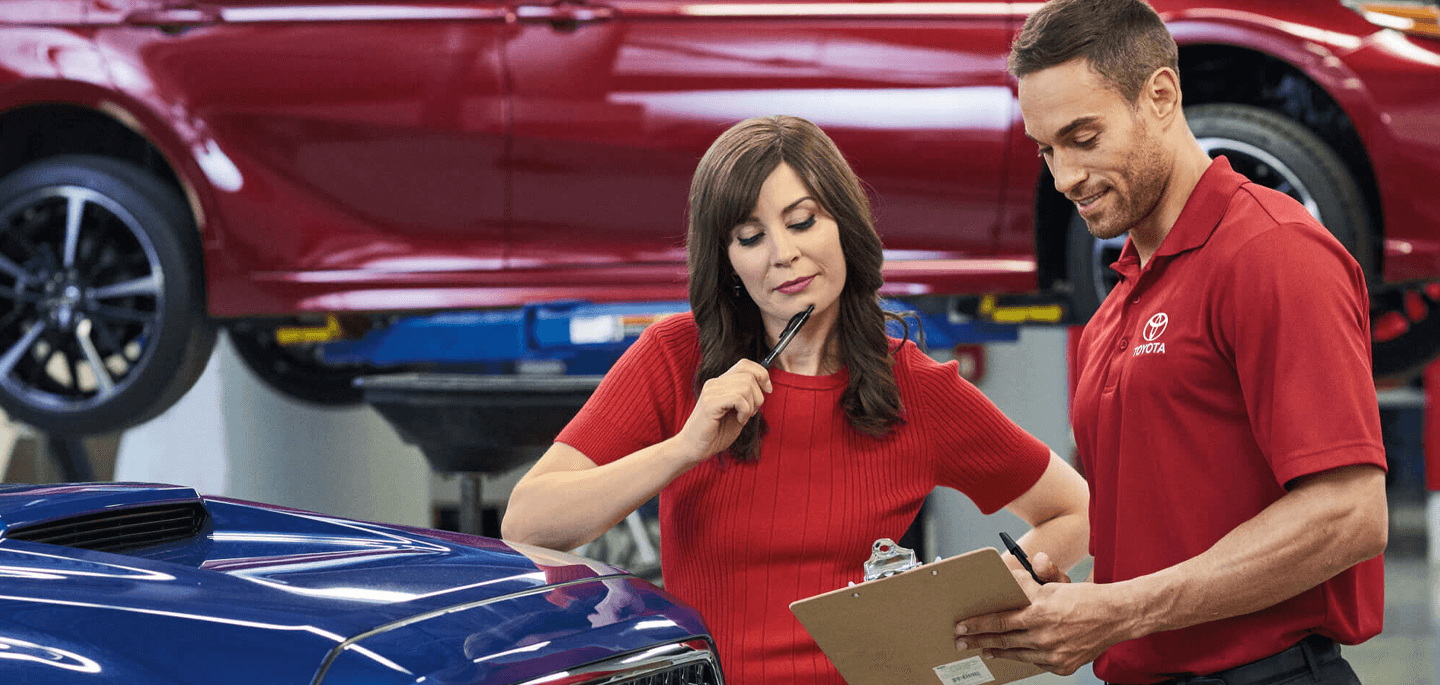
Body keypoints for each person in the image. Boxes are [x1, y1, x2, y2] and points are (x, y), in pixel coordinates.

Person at [502, 114, 1091, 684]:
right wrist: (683, 449)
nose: (782, 253)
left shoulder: (916, 387)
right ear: (728, 261)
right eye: (750, 237)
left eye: (803, 221)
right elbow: (528, 525)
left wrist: (976, 604)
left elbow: (1077, 511)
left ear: (844, 225)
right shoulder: (675, 356)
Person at [955, 1, 1388, 683]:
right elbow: (1155, 531)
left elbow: (1349, 513)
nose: (1064, 178)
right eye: (1047, 150)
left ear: (1160, 95)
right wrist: (1060, 590)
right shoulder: (1114, 308)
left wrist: (1121, 610)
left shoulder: (1272, 252)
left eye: (1083, 137)